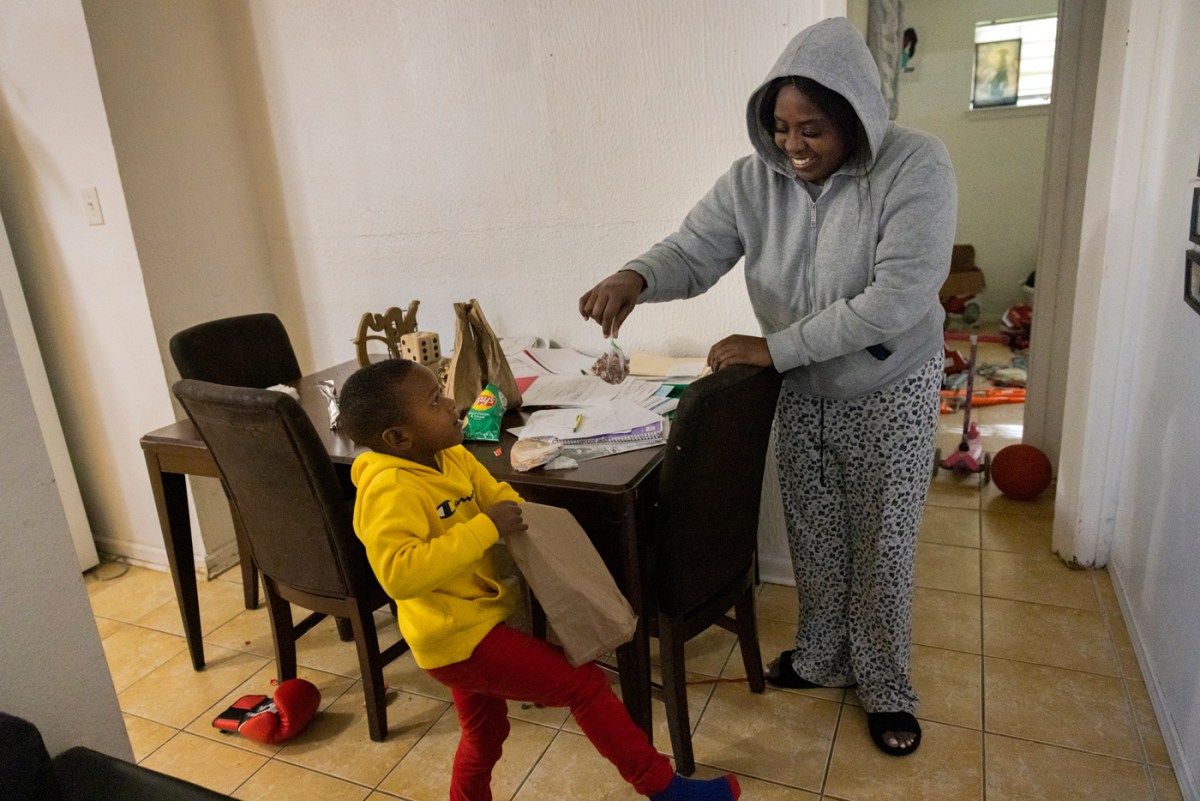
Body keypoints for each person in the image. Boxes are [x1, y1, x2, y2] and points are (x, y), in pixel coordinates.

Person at [578, 17, 956, 757]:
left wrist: (773, 347)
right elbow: (695, 247)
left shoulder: (917, 166)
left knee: (880, 542)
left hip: (891, 385)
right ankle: (820, 656)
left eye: (811, 128)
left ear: (853, 116)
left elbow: (897, 298)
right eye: (780, 128)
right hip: (803, 386)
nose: (793, 145)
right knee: (815, 531)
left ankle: (884, 682)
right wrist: (638, 276)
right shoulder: (754, 181)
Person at [337, 358, 742, 801]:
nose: (453, 403)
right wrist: (486, 527)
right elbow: (399, 575)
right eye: (435, 401)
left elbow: (498, 493)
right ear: (398, 438)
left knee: (485, 733)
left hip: (483, 619)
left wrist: (508, 513)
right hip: (455, 638)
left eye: (443, 391)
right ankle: (662, 788)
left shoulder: (451, 456)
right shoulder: (389, 490)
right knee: (584, 685)